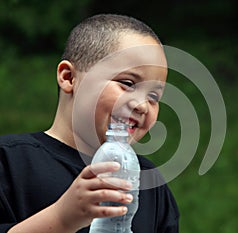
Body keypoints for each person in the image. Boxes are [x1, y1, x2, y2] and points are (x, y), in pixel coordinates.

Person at [0, 14, 179, 233]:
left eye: (153, 96)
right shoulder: (9, 161)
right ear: (69, 78)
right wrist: (62, 218)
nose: (142, 105)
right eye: (127, 83)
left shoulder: (149, 182)